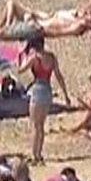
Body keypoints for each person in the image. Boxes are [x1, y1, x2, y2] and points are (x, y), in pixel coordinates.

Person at [19, 36, 70, 165]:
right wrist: (65, 94)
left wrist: (22, 56)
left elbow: (21, 70)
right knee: (41, 126)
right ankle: (38, 154)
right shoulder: (51, 57)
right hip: (47, 91)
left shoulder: (34, 58)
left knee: (35, 126)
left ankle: (35, 154)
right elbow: (59, 76)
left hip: (37, 91)